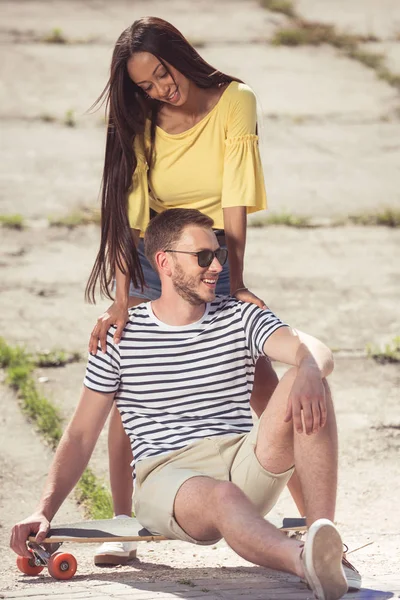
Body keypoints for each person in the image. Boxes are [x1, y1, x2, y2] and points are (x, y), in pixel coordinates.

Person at [11, 209, 361, 599]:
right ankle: (305, 560)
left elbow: (312, 349)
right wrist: (43, 510)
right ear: (164, 261)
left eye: (219, 256)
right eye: (203, 257)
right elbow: (79, 436)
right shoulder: (121, 336)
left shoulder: (240, 317)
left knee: (307, 377)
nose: (215, 268)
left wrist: (311, 366)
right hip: (168, 476)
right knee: (222, 495)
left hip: (243, 462)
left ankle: (326, 542)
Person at [84, 15, 288, 562]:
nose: (160, 90)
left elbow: (237, 194)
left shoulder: (234, 101)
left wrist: (236, 279)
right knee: (131, 394)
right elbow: (131, 211)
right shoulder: (142, 117)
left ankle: (316, 520)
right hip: (156, 255)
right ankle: (127, 525)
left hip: (212, 255)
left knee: (264, 384)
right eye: (146, 85)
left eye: (162, 75)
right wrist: (124, 298)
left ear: (179, 53)